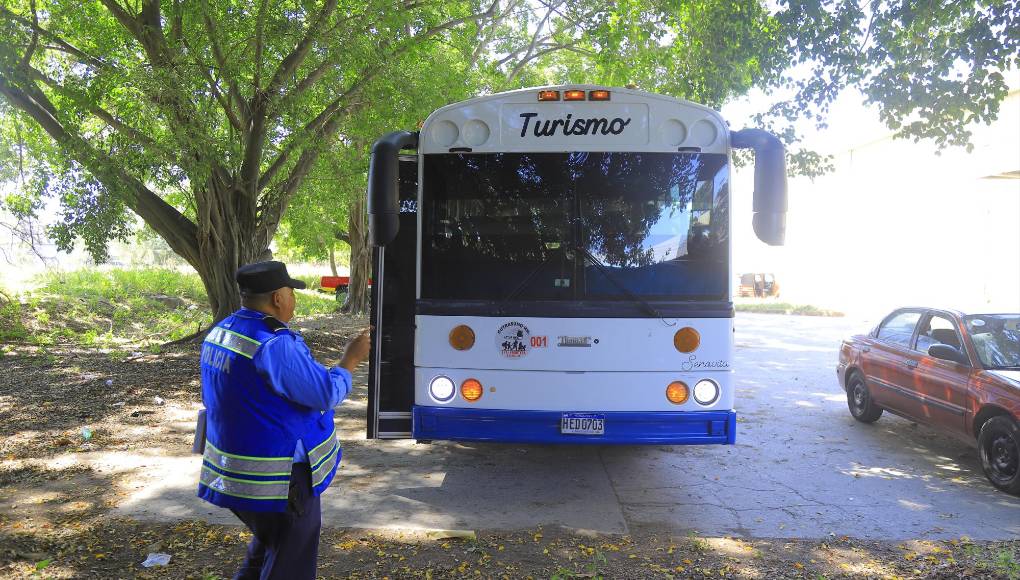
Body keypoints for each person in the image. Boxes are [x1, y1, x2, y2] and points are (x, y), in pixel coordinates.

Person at [195, 260, 371, 580]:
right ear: (278, 298)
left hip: (233, 476)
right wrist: (351, 359)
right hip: (278, 481)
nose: (294, 300)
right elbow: (324, 392)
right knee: (291, 563)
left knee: (268, 548)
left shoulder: (221, 332)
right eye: (292, 293)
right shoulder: (273, 343)